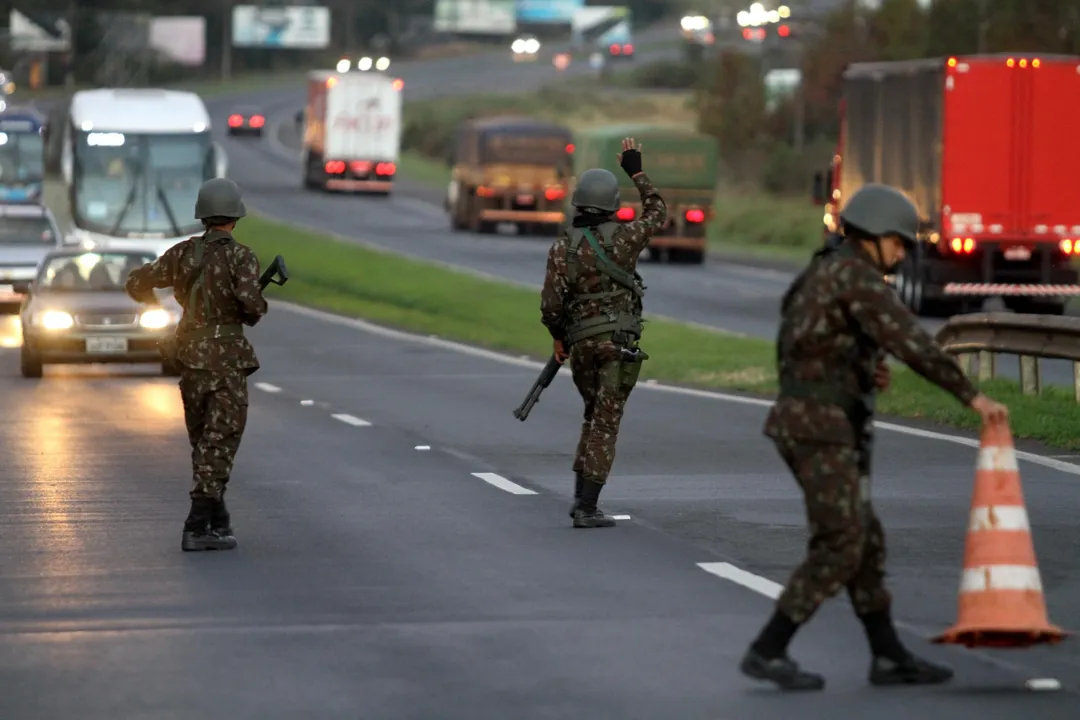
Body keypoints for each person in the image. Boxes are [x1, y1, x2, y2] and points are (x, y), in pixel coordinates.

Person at [739, 183, 1010, 690]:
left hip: (816, 421)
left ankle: (888, 657)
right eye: (900, 242)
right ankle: (768, 648)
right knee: (842, 543)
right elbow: (911, 341)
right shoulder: (855, 277)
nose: (903, 253)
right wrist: (971, 396)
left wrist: (862, 371)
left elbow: (806, 346)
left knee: (866, 542)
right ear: (876, 235)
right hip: (819, 427)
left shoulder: (825, 271)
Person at [125, 178, 268, 552]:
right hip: (225, 361)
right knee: (220, 442)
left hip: (190, 358)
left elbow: (138, 281)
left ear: (202, 216)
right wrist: (249, 306)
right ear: (235, 217)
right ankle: (197, 525)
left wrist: (155, 307)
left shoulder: (184, 253)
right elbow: (252, 308)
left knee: (204, 442)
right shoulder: (242, 257)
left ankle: (217, 520)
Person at [540, 137, 666, 528]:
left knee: (592, 416)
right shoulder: (626, 239)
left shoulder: (563, 248)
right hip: (616, 346)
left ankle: (582, 497)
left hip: (580, 349)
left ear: (578, 202)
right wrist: (637, 171)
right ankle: (587, 508)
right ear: (612, 204)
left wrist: (559, 339)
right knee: (606, 424)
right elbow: (658, 212)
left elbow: (550, 307)